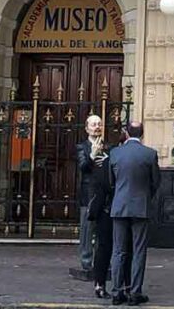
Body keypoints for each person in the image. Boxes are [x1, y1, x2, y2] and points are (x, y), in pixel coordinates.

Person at [108, 121, 161, 306]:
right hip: (141, 207)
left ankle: (116, 291)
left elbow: (111, 182)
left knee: (118, 251)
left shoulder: (115, 153)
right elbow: (156, 182)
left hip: (119, 206)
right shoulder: (150, 154)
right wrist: (146, 196)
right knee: (139, 251)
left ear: (126, 133)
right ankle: (135, 292)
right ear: (142, 134)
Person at [87, 127, 121, 299]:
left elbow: (98, 188)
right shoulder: (118, 162)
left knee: (103, 248)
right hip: (119, 210)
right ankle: (120, 285)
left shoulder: (101, 165)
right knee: (121, 249)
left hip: (105, 210)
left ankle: (99, 284)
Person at [77, 114, 104, 275]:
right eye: (93, 124)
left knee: (101, 230)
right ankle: (86, 262)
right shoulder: (82, 147)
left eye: (99, 124)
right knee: (87, 230)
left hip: (103, 194)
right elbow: (83, 167)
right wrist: (93, 154)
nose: (97, 127)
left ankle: (100, 262)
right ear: (87, 128)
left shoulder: (107, 146)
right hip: (88, 194)